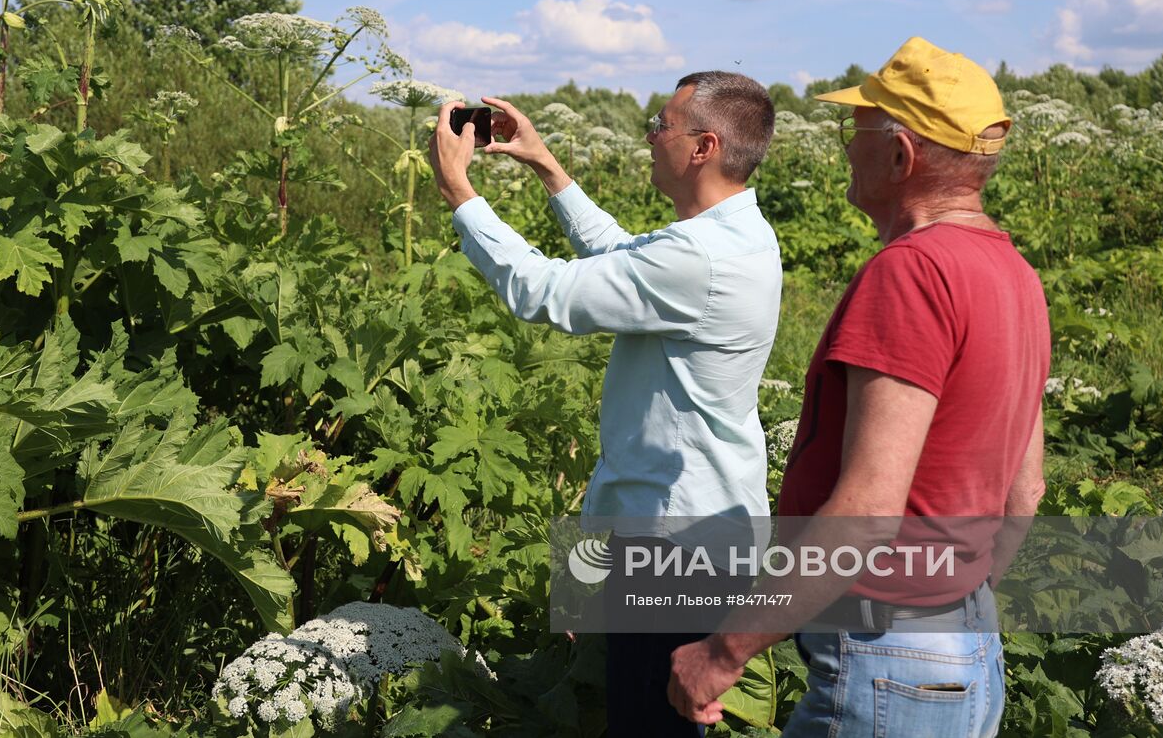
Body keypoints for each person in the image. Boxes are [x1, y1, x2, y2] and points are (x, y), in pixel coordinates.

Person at [667, 37, 1050, 738]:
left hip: (886, 657)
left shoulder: (911, 273)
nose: (847, 146)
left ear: (901, 156)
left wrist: (724, 652)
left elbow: (870, 506)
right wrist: (952, 605)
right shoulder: (1016, 276)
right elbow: (1025, 492)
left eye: (860, 129)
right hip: (969, 645)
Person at [428, 72, 782, 736]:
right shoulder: (734, 236)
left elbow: (541, 292)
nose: (649, 134)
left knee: (650, 726)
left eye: (661, 123)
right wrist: (548, 168)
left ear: (704, 146)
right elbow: (628, 257)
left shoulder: (701, 256)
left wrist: (460, 193)